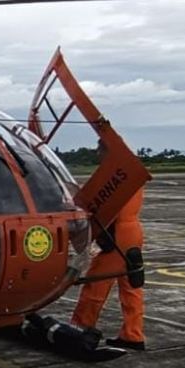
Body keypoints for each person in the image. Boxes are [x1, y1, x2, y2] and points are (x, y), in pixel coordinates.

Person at [71, 143, 147, 350]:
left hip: (116, 234)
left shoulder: (112, 177)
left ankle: (80, 327)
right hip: (133, 232)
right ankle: (133, 334)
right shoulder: (131, 172)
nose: (96, 153)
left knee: (96, 284)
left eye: (100, 149)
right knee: (131, 286)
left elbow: (100, 206)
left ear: (109, 152)